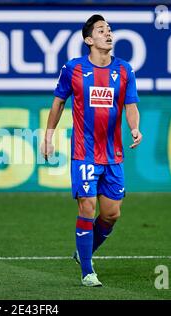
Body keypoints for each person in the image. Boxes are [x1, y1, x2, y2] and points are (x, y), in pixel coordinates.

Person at [40, 14, 142, 287]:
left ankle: (82, 252)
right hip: (84, 152)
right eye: (101, 30)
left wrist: (134, 128)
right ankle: (87, 271)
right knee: (88, 206)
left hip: (113, 154)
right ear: (89, 39)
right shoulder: (73, 69)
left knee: (111, 214)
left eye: (109, 29)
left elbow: (130, 105)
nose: (108, 34)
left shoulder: (124, 70)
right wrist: (48, 135)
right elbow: (58, 102)